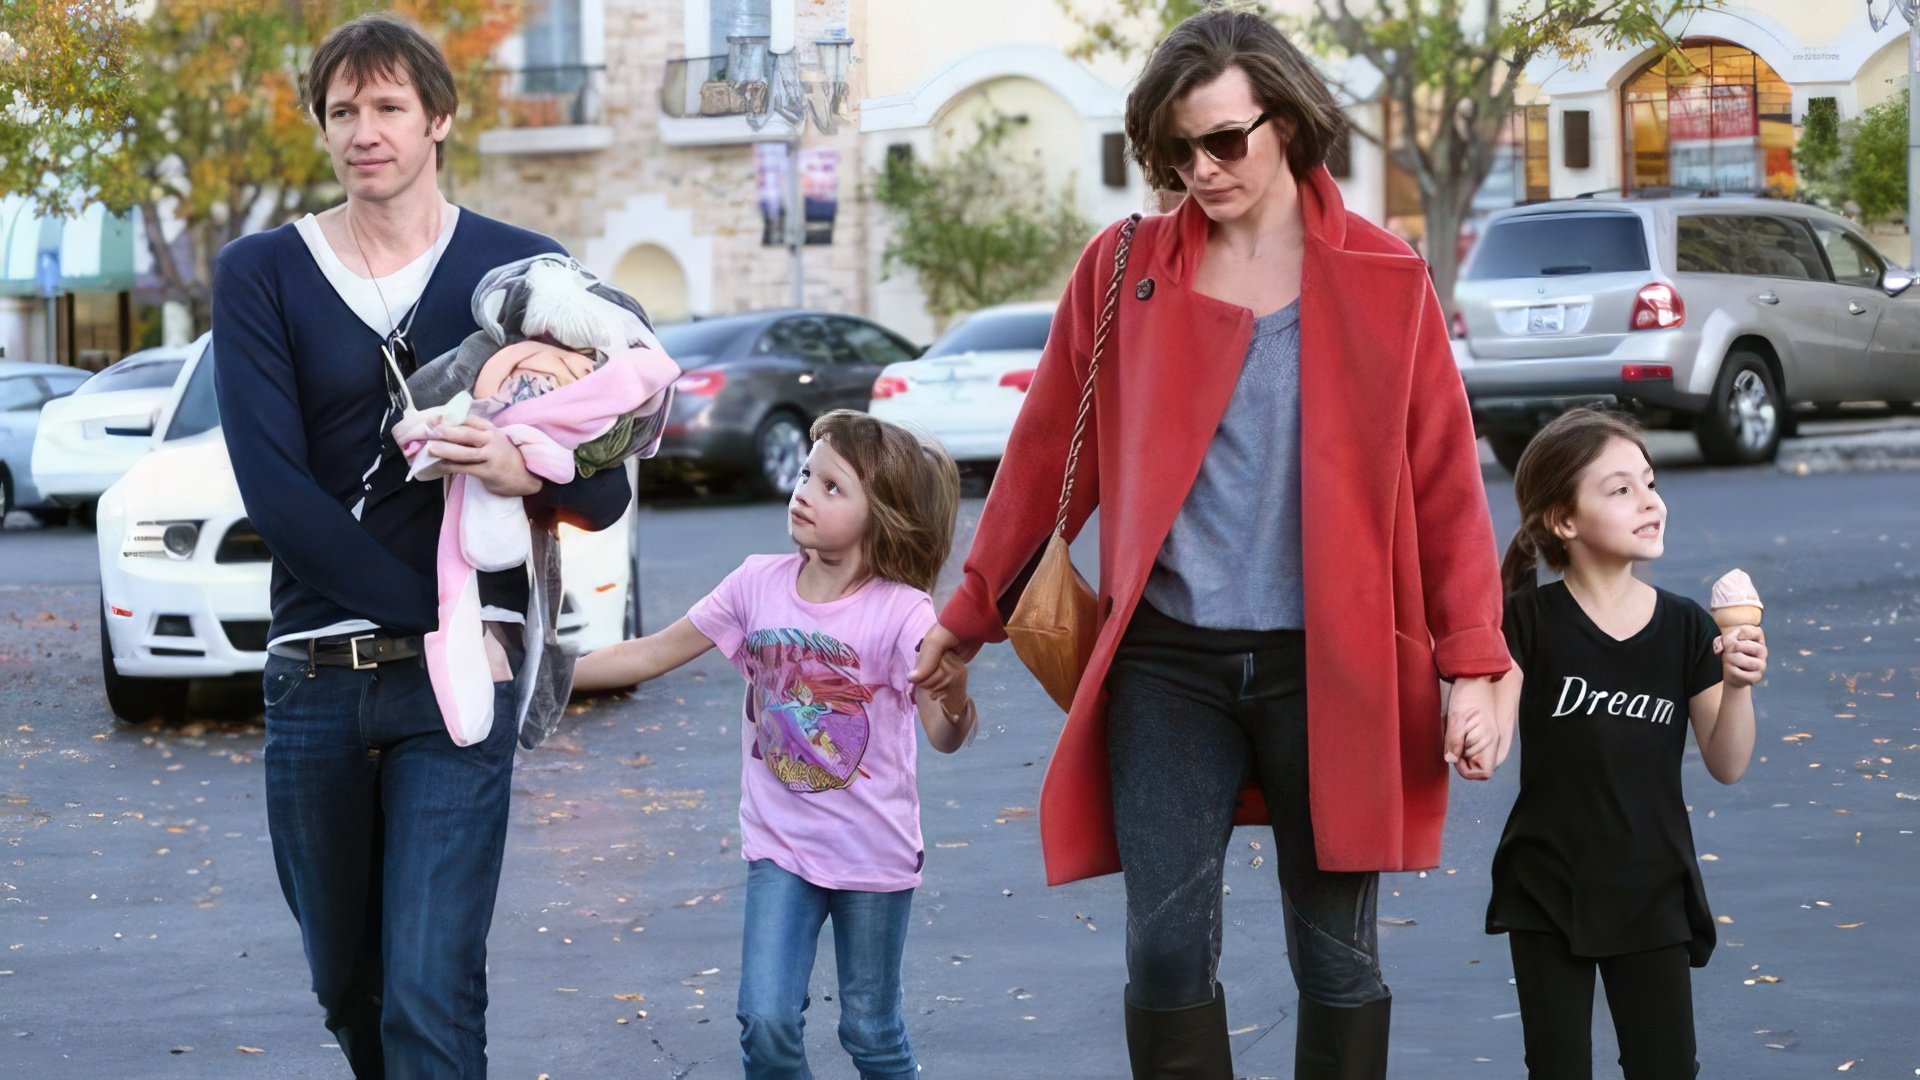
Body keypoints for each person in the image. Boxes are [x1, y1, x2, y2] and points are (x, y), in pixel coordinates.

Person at [910, 9, 1511, 1078]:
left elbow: (1444, 486)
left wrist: (1472, 660)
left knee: (1336, 957)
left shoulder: (1383, 273)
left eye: (1224, 141)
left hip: (1332, 664)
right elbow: (1050, 453)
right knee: (1166, 950)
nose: (1200, 168)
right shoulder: (1125, 267)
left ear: (1287, 122)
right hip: (1168, 662)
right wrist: (968, 616)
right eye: (1176, 150)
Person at [210, 13, 631, 1076]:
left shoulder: (522, 271)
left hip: (459, 694)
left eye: (389, 105)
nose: (365, 130)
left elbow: (609, 485)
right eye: (342, 110)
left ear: (438, 118)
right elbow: (278, 495)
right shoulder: (262, 274)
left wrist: (519, 468)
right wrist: (436, 616)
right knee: (350, 992)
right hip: (316, 679)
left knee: (431, 998)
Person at [575, 410, 976, 1080]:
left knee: (870, 1032)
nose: (803, 492)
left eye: (831, 486)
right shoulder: (754, 584)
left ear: (882, 514)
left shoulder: (901, 612)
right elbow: (647, 654)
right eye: (805, 474)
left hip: (872, 854)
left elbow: (944, 733)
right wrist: (535, 678)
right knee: (764, 1021)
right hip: (780, 846)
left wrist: (955, 694)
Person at [1488, 408, 1765, 1078]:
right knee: (1557, 1069)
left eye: (1649, 482)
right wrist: (1467, 706)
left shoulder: (1686, 627)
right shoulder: (1524, 621)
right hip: (1547, 886)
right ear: (1564, 521)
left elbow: (1726, 763)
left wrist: (1738, 683)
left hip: (1653, 888)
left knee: (1665, 1067)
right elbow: (1489, 743)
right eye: (1620, 490)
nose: (1650, 502)